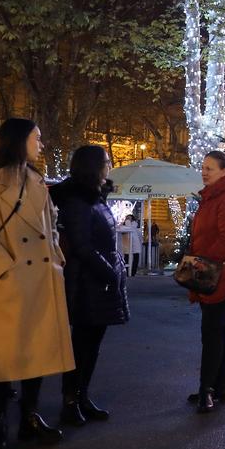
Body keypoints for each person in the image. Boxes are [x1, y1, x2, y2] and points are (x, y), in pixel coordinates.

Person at [0, 118, 74, 449]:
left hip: (40, 278)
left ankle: (29, 416)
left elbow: (50, 224)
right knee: (0, 357)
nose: (41, 144)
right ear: (19, 140)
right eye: (36, 138)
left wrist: (56, 258)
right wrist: (5, 267)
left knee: (35, 351)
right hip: (6, 283)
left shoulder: (36, 179)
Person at [51, 145, 128, 426]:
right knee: (81, 345)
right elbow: (82, 245)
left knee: (91, 345)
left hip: (98, 280)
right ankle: (70, 401)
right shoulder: (78, 201)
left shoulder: (95, 197)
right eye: (106, 162)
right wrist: (109, 272)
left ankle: (82, 396)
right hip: (86, 282)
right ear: (93, 166)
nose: (110, 166)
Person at [186, 149, 225, 413]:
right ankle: (220, 386)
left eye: (209, 168)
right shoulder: (213, 196)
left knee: (212, 332)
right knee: (219, 330)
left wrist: (202, 262)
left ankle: (207, 388)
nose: (204, 172)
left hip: (221, 274)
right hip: (212, 271)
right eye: (203, 167)